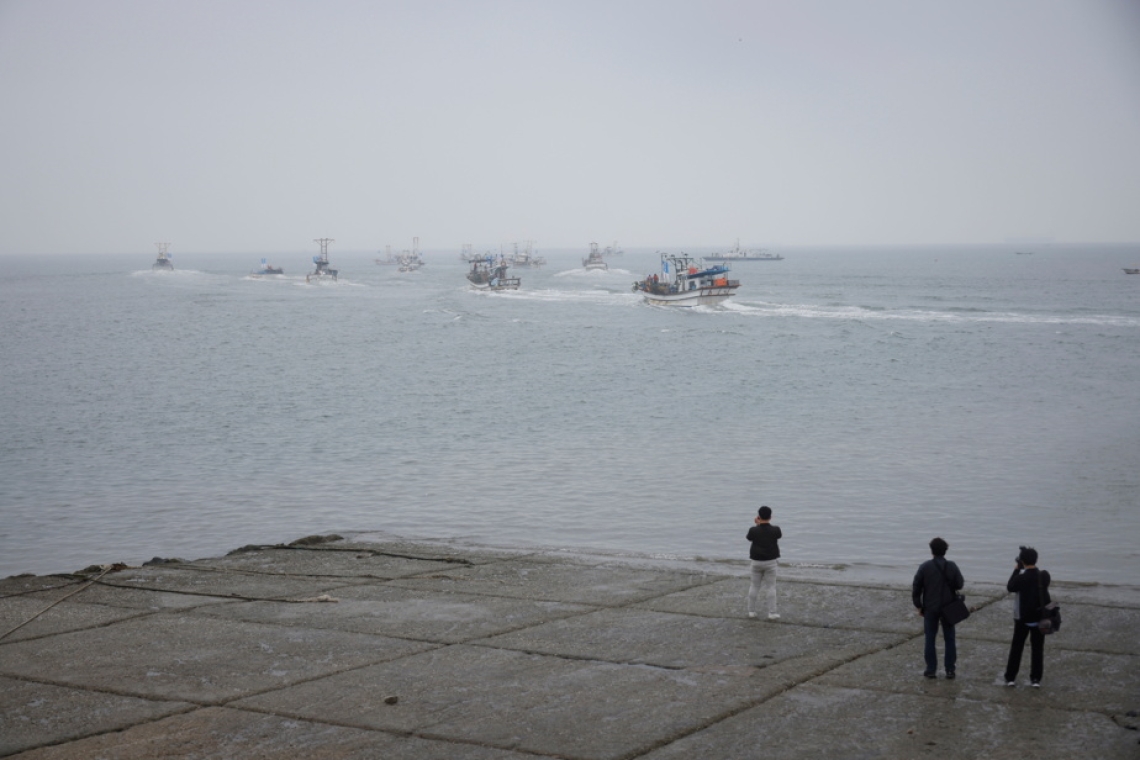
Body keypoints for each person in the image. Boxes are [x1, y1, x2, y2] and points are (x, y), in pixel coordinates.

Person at [912, 537, 964, 679]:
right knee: (949, 638)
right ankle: (950, 670)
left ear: (931, 550)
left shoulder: (925, 567)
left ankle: (931, 669)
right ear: (945, 551)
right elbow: (960, 584)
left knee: (930, 638)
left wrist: (918, 605)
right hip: (948, 607)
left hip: (930, 607)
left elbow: (916, 587)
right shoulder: (952, 566)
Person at [1003, 546, 1051, 687]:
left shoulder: (1021, 578)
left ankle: (1010, 677)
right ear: (1036, 560)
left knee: (1017, 647)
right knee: (1037, 649)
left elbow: (1010, 587)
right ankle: (1035, 679)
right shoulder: (1043, 576)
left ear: (1022, 561)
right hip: (1040, 617)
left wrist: (1017, 568)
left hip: (1022, 618)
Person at [746, 505, 782, 620]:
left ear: (759, 516)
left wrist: (757, 524)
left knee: (754, 586)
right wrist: (761, 524)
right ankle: (772, 613)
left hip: (756, 562)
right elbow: (779, 536)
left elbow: (749, 538)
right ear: (770, 517)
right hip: (770, 562)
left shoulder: (753, 530)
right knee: (771, 587)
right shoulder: (776, 529)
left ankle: (751, 611)